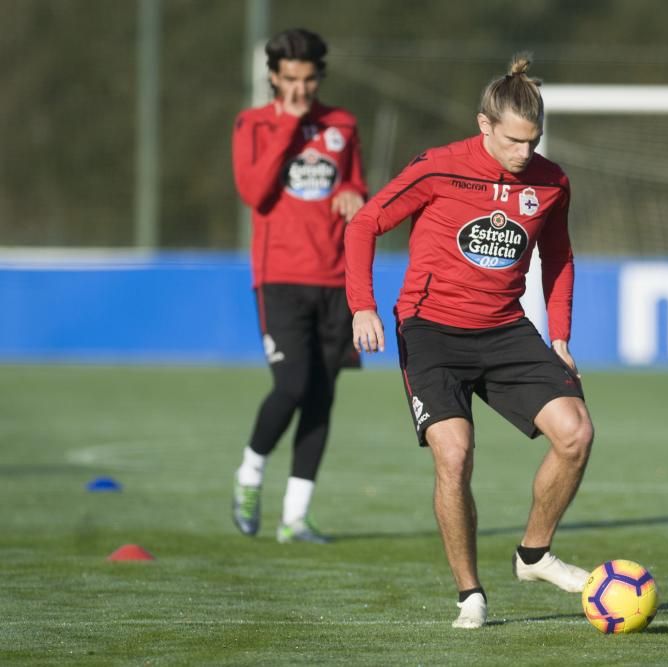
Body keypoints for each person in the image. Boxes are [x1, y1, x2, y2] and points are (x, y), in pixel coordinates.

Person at [345, 54, 594, 628]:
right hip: (431, 331)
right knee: (454, 456)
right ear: (484, 126)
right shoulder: (437, 169)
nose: (524, 153)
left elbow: (558, 258)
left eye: (533, 141)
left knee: (576, 433)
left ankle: (534, 555)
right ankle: (470, 594)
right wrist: (362, 304)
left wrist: (560, 336)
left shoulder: (552, 182)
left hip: (505, 329)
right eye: (513, 141)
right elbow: (364, 224)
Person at [230, 28, 367, 543]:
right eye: (290, 79)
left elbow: (355, 182)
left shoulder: (342, 124)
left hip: (335, 280)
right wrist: (288, 126)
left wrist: (355, 193)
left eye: (309, 79)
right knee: (290, 385)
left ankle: (295, 516)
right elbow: (254, 191)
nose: (301, 89)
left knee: (321, 397)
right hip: (280, 279)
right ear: (272, 76)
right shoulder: (253, 124)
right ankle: (249, 474)